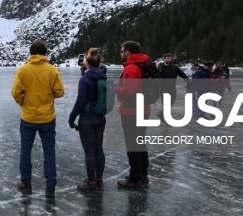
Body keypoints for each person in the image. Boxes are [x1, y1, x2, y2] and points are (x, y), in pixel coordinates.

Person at [11, 40, 65, 199]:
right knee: (49, 151)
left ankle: (26, 182)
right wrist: (48, 97)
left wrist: (23, 102)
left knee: (25, 150)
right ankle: (50, 185)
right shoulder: (51, 70)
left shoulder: (23, 70)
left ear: (31, 53)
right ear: (44, 53)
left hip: (28, 118)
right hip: (47, 118)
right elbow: (60, 91)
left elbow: (15, 92)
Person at [68, 48, 112, 192]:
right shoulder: (103, 77)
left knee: (89, 151)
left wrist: (71, 118)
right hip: (100, 118)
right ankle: (98, 179)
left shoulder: (85, 80)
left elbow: (80, 102)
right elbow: (110, 103)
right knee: (99, 149)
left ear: (86, 62)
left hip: (87, 119)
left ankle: (91, 181)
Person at [114, 41, 151, 189]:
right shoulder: (144, 64)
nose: (121, 54)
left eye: (122, 51)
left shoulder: (131, 68)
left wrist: (117, 86)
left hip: (131, 112)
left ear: (128, 52)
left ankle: (134, 178)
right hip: (144, 109)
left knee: (133, 144)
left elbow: (128, 90)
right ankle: (142, 174)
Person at [156, 53, 188, 119]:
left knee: (172, 101)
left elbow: (182, 74)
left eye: (170, 58)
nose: (169, 59)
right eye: (167, 58)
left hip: (172, 88)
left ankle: (161, 114)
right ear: (164, 59)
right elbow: (155, 75)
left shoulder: (175, 67)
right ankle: (165, 118)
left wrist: (188, 80)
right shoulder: (160, 67)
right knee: (165, 104)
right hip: (163, 88)